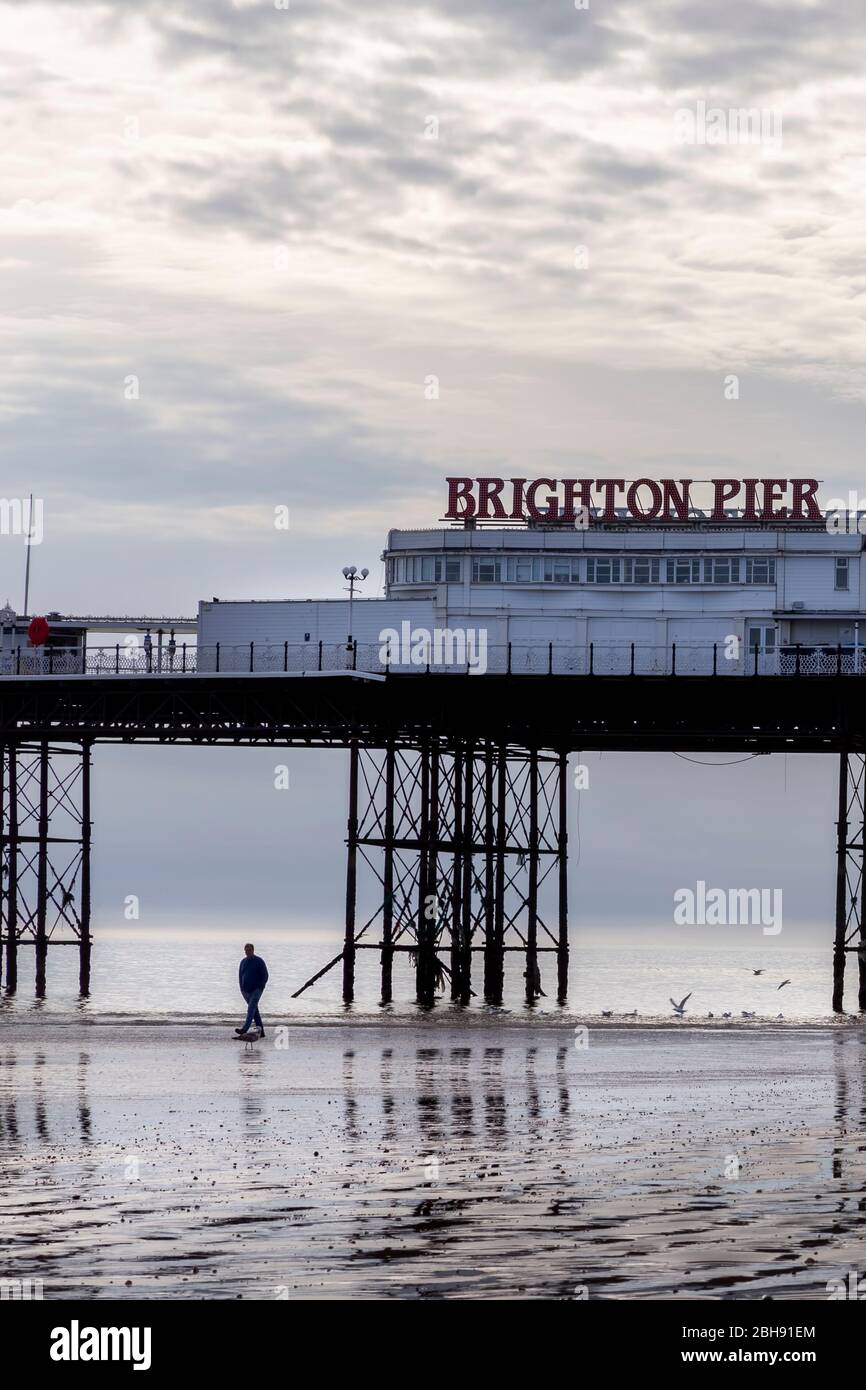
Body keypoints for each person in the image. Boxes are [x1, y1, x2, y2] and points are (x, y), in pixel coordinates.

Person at [235, 942, 269, 1038]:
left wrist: (260, 986)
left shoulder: (259, 961)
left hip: (256, 990)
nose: (247, 951)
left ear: (253, 950)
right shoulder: (243, 962)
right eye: (246, 950)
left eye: (249, 950)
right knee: (254, 1011)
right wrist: (241, 988)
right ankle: (261, 1032)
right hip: (246, 991)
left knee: (251, 1009)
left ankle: (244, 1029)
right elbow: (240, 976)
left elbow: (265, 975)